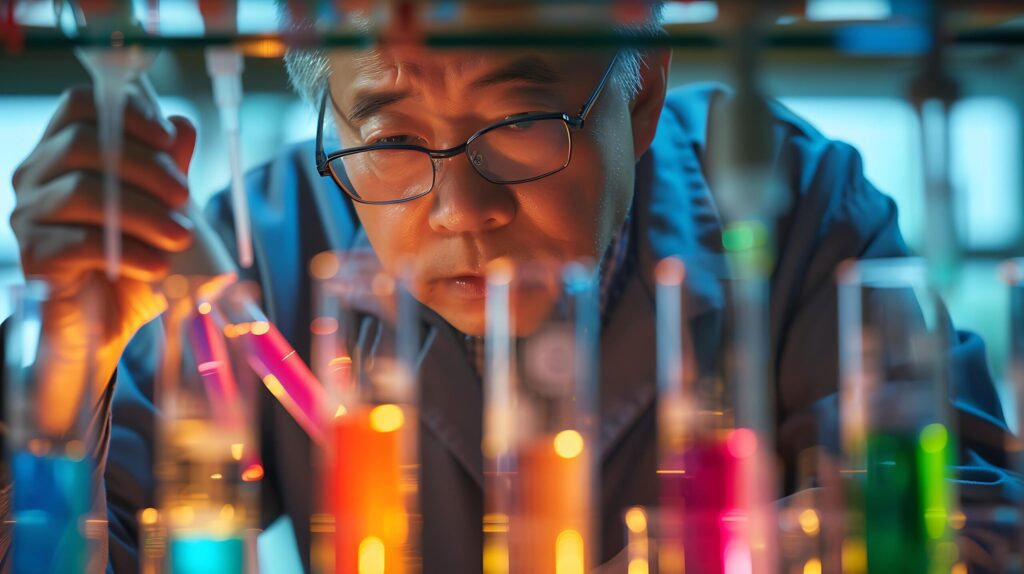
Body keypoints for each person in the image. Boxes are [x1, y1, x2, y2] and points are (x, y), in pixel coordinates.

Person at [6, 4, 1019, 572]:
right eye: (390, 134)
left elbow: (978, 526)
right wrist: (60, 373)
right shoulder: (253, 255)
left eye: (521, 116)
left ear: (642, 87)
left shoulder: (801, 207)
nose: (459, 204)